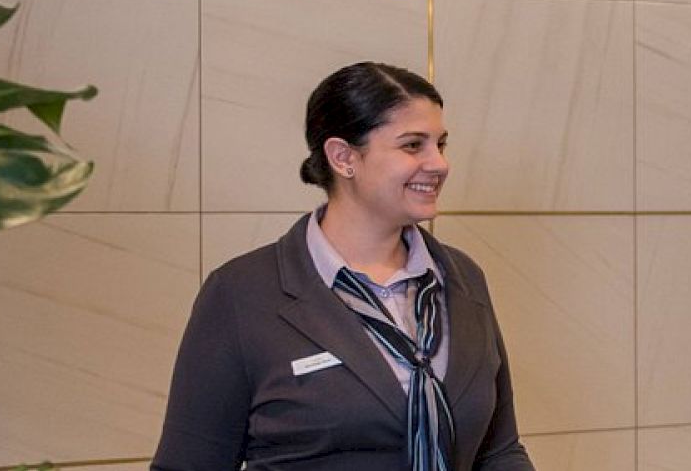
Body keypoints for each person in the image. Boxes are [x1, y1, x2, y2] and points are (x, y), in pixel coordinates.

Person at [154, 62, 533, 471]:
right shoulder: (241, 293)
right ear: (343, 157)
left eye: (440, 144)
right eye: (412, 145)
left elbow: (499, 451)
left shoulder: (462, 278)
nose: (439, 163)